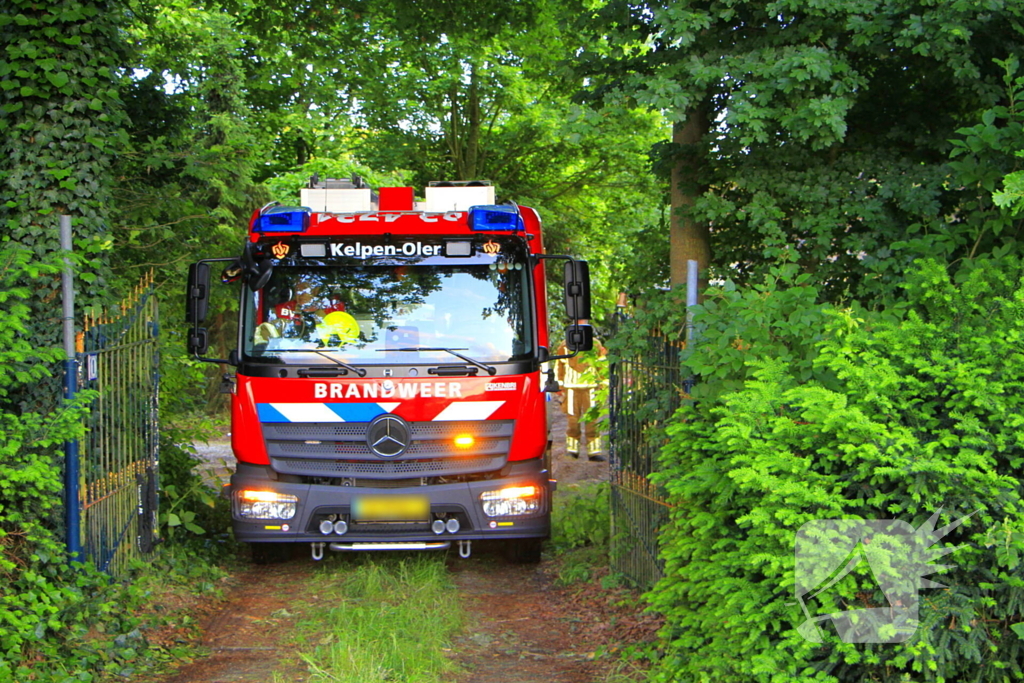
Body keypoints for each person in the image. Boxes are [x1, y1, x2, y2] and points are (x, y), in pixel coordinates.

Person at [555, 338, 608, 461]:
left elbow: (602, 363)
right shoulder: (564, 345)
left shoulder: (595, 344)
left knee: (592, 420)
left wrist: (604, 383)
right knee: (573, 421)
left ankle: (594, 452)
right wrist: (559, 385)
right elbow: (559, 366)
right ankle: (572, 450)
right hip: (571, 388)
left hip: (592, 388)